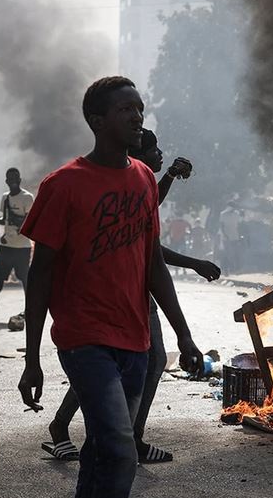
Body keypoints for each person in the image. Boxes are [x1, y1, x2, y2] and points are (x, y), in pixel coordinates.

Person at [18, 76, 206, 498]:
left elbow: (153, 265)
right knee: (122, 457)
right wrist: (32, 356)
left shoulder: (144, 179)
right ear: (98, 121)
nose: (137, 117)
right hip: (84, 341)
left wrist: (183, 335)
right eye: (126, 109)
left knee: (99, 460)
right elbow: (40, 277)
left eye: (140, 108)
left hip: (135, 344)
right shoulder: (63, 186)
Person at [43, 128, 220, 464]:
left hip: (139, 293)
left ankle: (114, 435)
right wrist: (194, 262)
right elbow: (150, 243)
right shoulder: (105, 186)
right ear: (134, 154)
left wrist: (167, 176)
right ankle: (119, 437)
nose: (159, 154)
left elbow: (149, 216)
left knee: (126, 364)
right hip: (112, 295)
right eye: (152, 149)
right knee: (112, 364)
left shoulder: (141, 185)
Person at [0, 168, 34, 321]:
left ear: (20, 180)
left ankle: (30, 311)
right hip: (7, 246)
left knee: (25, 280)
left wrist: (16, 224)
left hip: (22, 247)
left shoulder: (27, 198)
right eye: (10, 180)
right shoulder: (5, 198)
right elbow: (6, 219)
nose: (13, 182)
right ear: (7, 182)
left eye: (15, 179)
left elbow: (30, 222)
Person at [219, 201, 242, 274]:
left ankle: (234, 268)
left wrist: (240, 235)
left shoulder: (237, 214)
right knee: (226, 253)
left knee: (234, 253)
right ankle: (225, 269)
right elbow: (221, 226)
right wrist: (225, 235)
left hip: (235, 237)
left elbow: (238, 226)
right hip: (226, 238)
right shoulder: (223, 214)